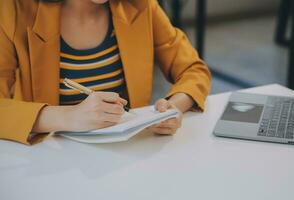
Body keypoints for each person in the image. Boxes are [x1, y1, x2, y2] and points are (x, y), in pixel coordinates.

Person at [0, 0, 211, 145]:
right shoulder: (14, 9)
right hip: (49, 158)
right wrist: (68, 117)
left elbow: (193, 69)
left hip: (126, 152)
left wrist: (174, 107)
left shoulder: (138, 4)